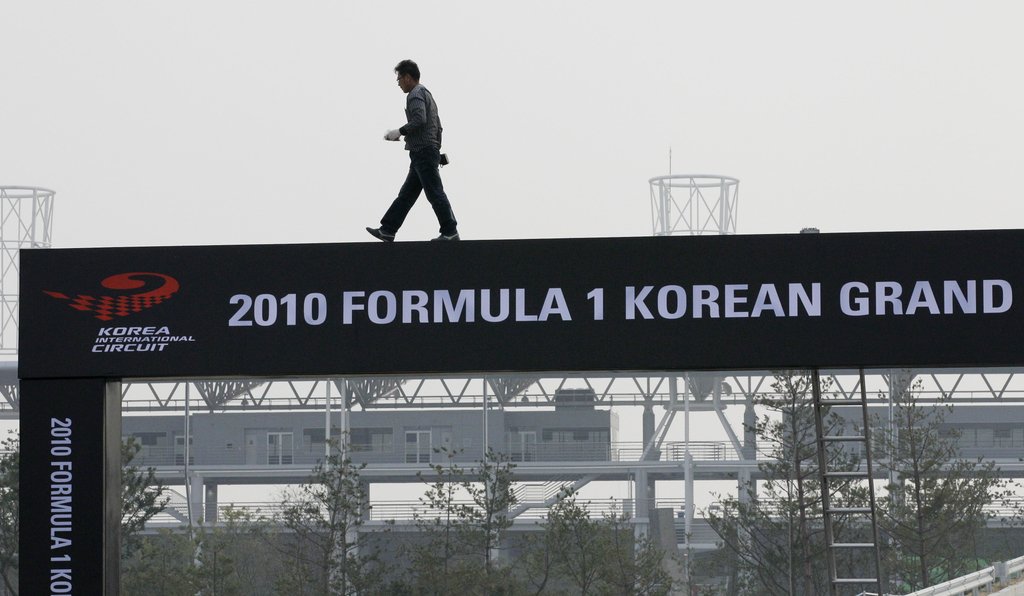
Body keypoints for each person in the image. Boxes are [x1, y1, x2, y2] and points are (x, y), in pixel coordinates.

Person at [367, 59, 460, 242]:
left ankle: (450, 231)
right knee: (407, 195)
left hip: (423, 153)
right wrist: (436, 148)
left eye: (399, 78)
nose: (398, 83)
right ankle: (388, 230)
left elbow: (419, 119)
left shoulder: (415, 94)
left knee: (434, 193)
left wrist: (399, 132)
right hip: (424, 153)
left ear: (408, 77)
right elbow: (438, 126)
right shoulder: (427, 94)